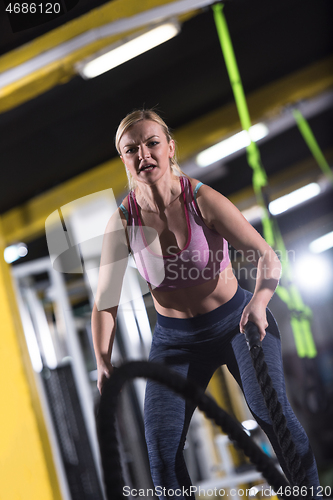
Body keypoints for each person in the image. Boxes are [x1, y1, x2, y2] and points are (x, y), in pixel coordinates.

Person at [91, 109, 320, 499]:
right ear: (124, 159)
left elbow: (269, 257)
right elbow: (104, 303)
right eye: (131, 149)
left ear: (170, 148)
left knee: (272, 414)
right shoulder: (123, 222)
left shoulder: (202, 200)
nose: (143, 154)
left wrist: (261, 301)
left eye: (152, 143)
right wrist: (102, 360)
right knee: (161, 453)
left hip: (237, 324)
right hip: (174, 342)